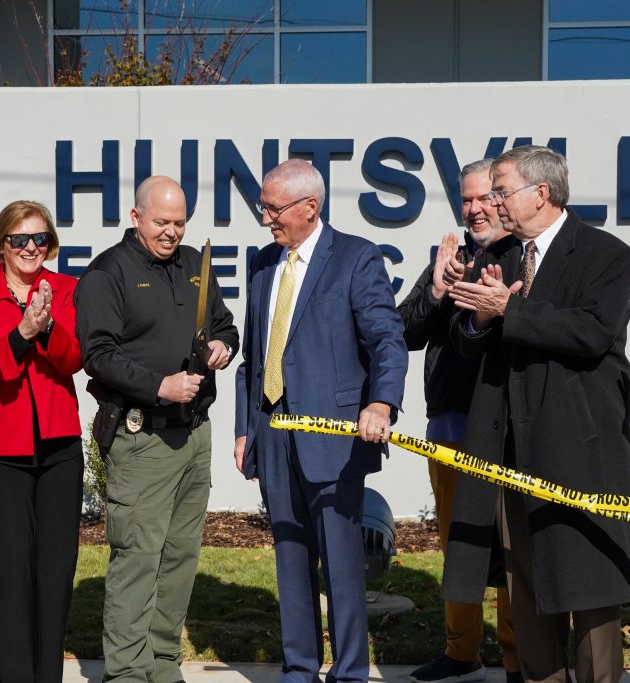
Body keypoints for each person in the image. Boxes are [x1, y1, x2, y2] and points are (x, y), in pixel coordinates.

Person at [444, 146, 630, 683]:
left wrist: (509, 310)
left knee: (589, 591)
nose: (494, 202)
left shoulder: (606, 255)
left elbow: (591, 332)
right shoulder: (497, 258)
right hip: (508, 455)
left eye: (501, 190)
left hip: (577, 451)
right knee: (525, 595)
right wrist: (478, 323)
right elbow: (466, 342)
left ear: (541, 193)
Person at [234, 159, 407, 683]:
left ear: (310, 207)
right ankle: (300, 667)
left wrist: (381, 403)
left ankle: (350, 670)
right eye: (262, 207)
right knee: (290, 558)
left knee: (341, 563)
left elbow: (386, 339)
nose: (266, 218)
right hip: (273, 432)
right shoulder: (264, 263)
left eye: (274, 208)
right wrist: (246, 426)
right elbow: (253, 354)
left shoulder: (355, 258)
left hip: (334, 436)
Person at [75, 176, 238, 683]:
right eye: (162, 222)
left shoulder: (196, 265)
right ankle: (125, 671)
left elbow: (226, 325)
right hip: (142, 437)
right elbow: (96, 355)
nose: (172, 232)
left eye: (179, 222)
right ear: (136, 216)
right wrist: (158, 386)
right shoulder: (108, 273)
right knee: (138, 558)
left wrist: (222, 347)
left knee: (181, 555)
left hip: (194, 435)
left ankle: (163, 664)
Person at [398, 159, 518, 683]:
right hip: (450, 429)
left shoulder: (525, 260)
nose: (474, 209)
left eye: (484, 198)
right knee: (458, 548)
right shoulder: (449, 260)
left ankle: (519, 657)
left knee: (515, 554)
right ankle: (461, 653)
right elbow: (403, 331)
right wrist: (437, 290)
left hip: (510, 434)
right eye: (466, 200)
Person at [0, 200, 82, 683]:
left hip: (58, 450)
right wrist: (20, 333)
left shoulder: (66, 289)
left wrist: (44, 325)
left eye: (39, 239)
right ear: (0, 245)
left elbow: (73, 360)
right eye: (18, 239)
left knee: (54, 578)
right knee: (9, 579)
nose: (30, 248)